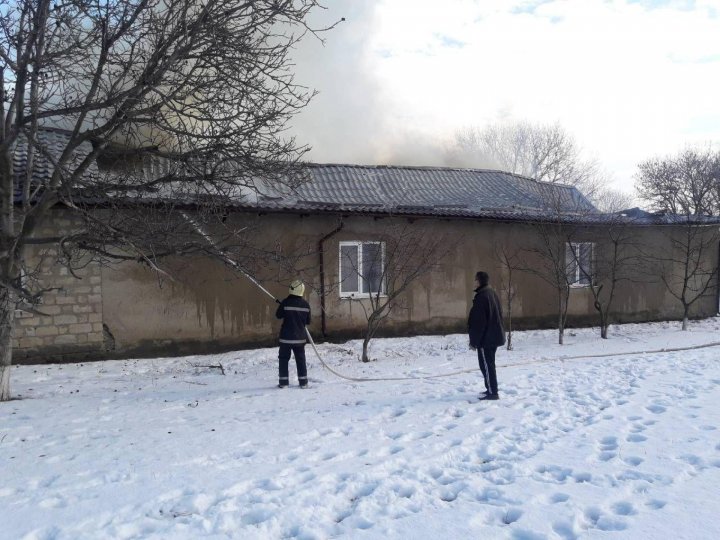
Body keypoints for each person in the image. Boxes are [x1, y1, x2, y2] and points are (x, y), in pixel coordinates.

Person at [468, 271, 505, 400]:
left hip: (486, 339)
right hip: (492, 336)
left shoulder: (482, 297)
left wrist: (474, 341)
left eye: (475, 280)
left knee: (486, 366)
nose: (474, 282)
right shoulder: (491, 293)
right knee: (488, 364)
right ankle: (490, 389)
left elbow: (479, 322)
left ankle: (492, 392)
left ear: (479, 281)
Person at [276, 279, 311, 388]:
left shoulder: (285, 302)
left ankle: (283, 383)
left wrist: (282, 306)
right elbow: (308, 321)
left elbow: (278, 315)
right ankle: (303, 382)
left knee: (283, 359)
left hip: (285, 339)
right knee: (301, 360)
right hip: (300, 339)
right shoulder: (306, 305)